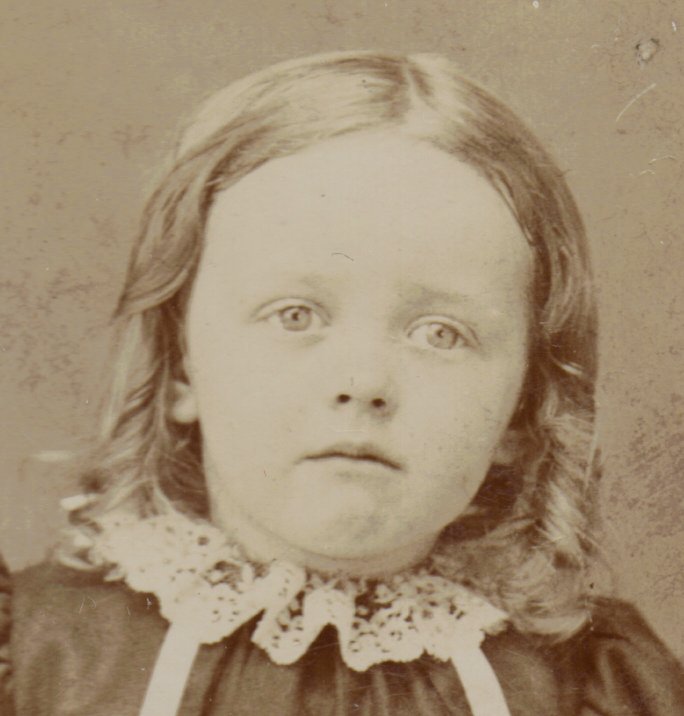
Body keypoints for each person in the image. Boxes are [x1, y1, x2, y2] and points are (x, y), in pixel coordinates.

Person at [4, 50, 684, 716]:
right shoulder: (40, 659)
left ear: (523, 410)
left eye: (440, 333)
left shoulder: (600, 687)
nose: (362, 383)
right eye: (295, 316)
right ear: (182, 364)